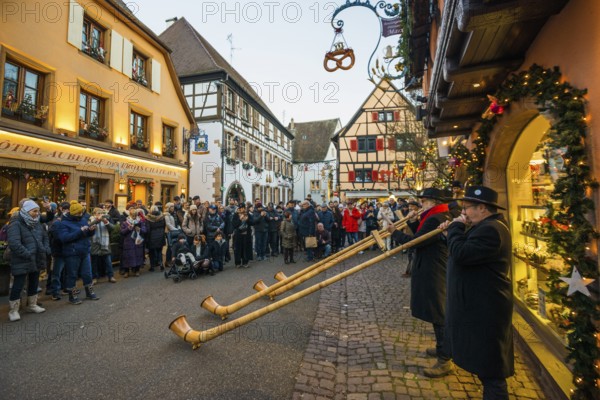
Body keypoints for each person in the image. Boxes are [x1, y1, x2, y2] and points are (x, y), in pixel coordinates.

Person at [439, 186, 513, 399]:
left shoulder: (491, 230)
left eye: (467, 208)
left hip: (487, 307)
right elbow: (465, 250)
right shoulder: (485, 226)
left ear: (482, 208)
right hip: (480, 304)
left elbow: (462, 253)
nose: (464, 213)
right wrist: (449, 235)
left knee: (491, 371)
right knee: (485, 365)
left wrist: (454, 229)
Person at [388, 188, 452, 377]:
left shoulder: (435, 218)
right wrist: (414, 221)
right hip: (434, 267)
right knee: (436, 311)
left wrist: (394, 232)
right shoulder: (436, 215)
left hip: (433, 270)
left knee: (438, 312)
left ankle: (445, 357)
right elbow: (424, 236)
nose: (421, 204)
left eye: (423, 201)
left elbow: (416, 242)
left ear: (433, 201)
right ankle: (443, 348)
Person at [6, 200, 50, 321]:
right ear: (26, 211)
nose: (37, 213)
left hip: (36, 258)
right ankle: (13, 310)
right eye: (34, 211)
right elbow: (14, 243)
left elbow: (44, 237)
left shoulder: (37, 223)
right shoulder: (15, 223)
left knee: (34, 283)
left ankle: (32, 305)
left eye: (38, 211)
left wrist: (45, 249)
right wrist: (27, 253)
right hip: (22, 258)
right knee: (18, 285)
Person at [56, 201, 99, 304]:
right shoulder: (63, 223)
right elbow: (64, 238)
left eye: (82, 212)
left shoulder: (83, 220)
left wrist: (91, 230)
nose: (81, 214)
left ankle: (89, 292)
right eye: (79, 212)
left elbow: (86, 234)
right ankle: (73, 296)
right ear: (73, 213)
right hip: (72, 252)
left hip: (85, 250)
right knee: (72, 274)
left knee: (87, 273)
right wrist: (80, 231)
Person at [89, 208, 116, 283]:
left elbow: (112, 228)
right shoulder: (91, 219)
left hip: (105, 244)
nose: (100, 214)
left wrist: (106, 222)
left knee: (108, 261)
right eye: (98, 213)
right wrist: (97, 220)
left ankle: (111, 276)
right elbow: (88, 226)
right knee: (94, 263)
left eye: (101, 213)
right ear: (94, 214)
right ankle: (94, 277)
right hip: (95, 244)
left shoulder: (106, 219)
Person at [120, 207, 146, 277]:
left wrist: (139, 229)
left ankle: (137, 270)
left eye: (135, 215)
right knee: (127, 256)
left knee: (138, 256)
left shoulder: (140, 222)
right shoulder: (125, 223)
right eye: (132, 215)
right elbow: (122, 232)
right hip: (128, 242)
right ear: (130, 215)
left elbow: (145, 230)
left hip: (137, 241)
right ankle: (126, 271)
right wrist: (128, 228)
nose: (134, 217)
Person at [232, 204, 253, 268]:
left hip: (246, 235)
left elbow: (252, 222)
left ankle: (245, 262)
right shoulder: (235, 215)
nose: (241, 209)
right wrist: (240, 219)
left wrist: (247, 220)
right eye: (240, 208)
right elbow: (234, 225)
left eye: (243, 208)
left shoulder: (248, 214)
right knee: (238, 249)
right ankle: (237, 263)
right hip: (238, 235)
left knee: (246, 249)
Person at [146, 205, 166, 271]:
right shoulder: (162, 217)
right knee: (159, 251)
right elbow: (164, 226)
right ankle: (161, 264)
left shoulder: (148, 218)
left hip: (152, 236)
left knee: (151, 252)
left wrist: (147, 238)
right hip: (161, 235)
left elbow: (148, 229)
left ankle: (152, 267)